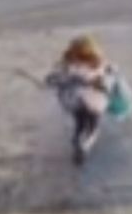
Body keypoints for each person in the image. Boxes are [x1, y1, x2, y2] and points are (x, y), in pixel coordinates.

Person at [46, 35, 115, 165]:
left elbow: (53, 79)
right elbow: (110, 77)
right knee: (93, 126)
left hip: (73, 99)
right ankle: (84, 146)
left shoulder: (67, 65)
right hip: (95, 100)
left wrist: (55, 80)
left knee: (80, 122)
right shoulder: (99, 63)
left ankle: (77, 142)